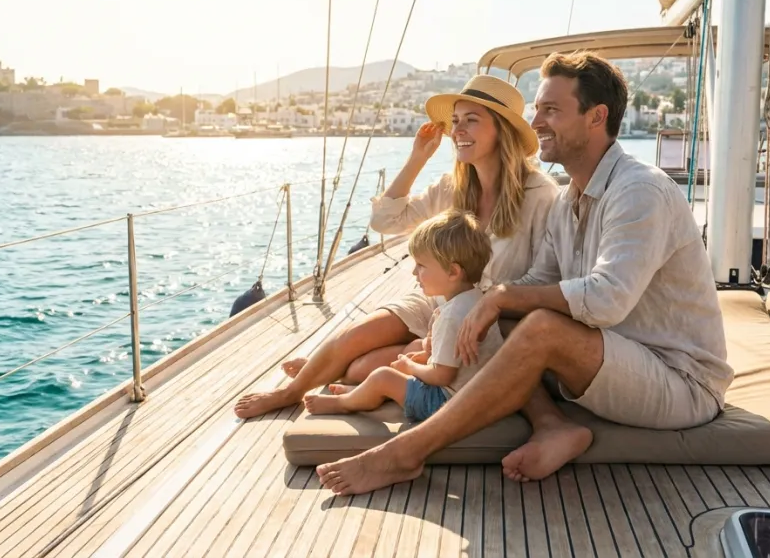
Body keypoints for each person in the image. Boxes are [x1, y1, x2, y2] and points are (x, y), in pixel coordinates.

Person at [315, 51, 734, 496]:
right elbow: (539, 281)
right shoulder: (569, 199)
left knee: (539, 327)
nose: (536, 123)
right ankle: (550, 426)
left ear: (597, 117)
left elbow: (607, 299)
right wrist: (484, 302)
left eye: (551, 109)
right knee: (508, 315)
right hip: (619, 357)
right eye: (537, 109)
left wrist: (499, 298)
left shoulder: (638, 191)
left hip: (679, 380)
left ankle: (406, 452)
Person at [234, 75, 557, 419]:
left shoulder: (540, 194)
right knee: (352, 339)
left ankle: (340, 365)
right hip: (438, 302)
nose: (458, 130)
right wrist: (417, 158)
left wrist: (488, 306)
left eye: (472, 120)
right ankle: (292, 390)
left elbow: (547, 276)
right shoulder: (453, 186)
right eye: (456, 121)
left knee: (360, 369)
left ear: (502, 129)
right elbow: (385, 222)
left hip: (490, 318)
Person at [304, 209, 504, 421]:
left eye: (421, 265)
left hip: (447, 403)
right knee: (408, 361)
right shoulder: (479, 302)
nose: (413, 272)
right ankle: (364, 392)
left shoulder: (451, 316)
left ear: (453, 272)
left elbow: (442, 375)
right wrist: (425, 357)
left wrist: (410, 367)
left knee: (384, 376)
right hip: (478, 394)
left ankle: (347, 403)